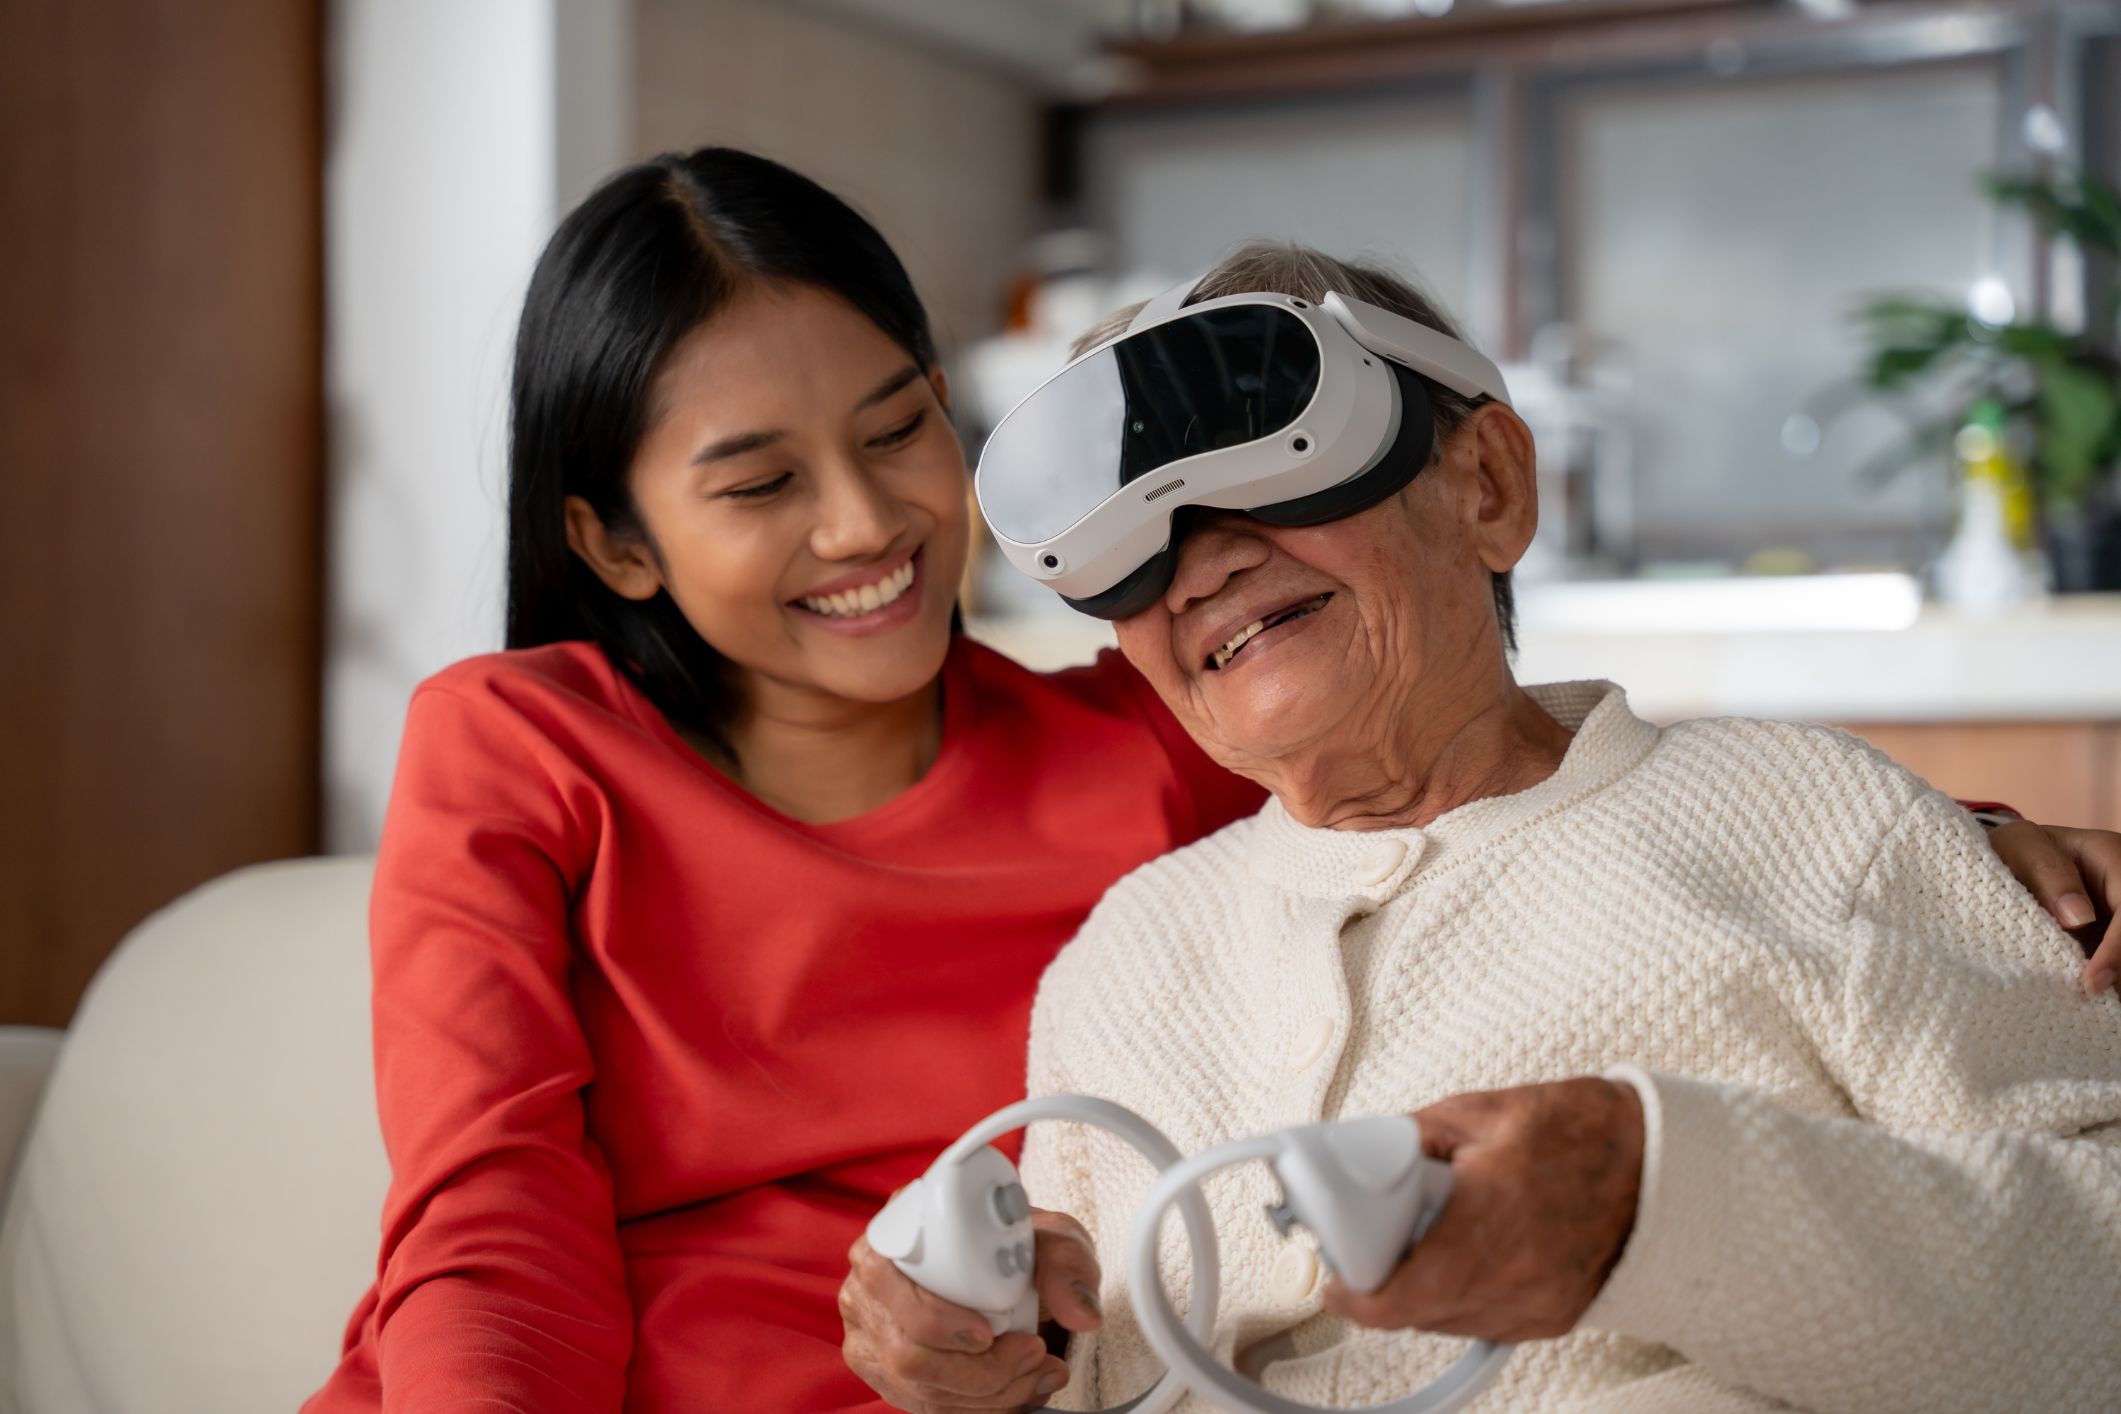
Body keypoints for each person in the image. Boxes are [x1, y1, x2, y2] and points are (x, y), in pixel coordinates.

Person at [303, 149, 2116, 1413]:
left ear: (1479, 482)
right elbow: (489, 1207)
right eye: (757, 481)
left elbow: (1567, 814)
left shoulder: (1132, 748)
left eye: (897, 430)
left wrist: (1940, 844)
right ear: (612, 541)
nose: (864, 527)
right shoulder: (1125, 920)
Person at [838, 245, 2121, 1413]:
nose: (1202, 566)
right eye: (1138, 551)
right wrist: (1007, 1359)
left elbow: (2096, 1291)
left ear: (1488, 486)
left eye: (1268, 479)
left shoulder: (1814, 825)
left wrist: (1654, 1207)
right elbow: (1089, 1364)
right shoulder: (1125, 958)